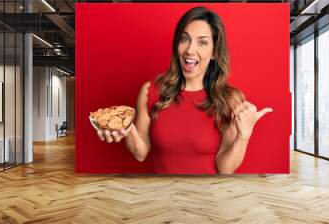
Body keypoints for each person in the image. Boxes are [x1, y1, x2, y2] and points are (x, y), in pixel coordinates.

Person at [97, 6, 272, 174]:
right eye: (184, 39)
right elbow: (140, 153)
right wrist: (127, 129)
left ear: (214, 53)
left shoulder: (230, 99)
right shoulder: (151, 91)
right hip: (161, 197)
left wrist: (243, 136)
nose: (190, 50)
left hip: (207, 198)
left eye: (202, 42)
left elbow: (225, 168)